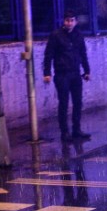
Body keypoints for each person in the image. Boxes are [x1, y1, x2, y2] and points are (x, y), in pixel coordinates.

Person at [43, 10, 91, 140]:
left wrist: (86, 71)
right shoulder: (56, 35)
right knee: (63, 103)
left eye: (71, 20)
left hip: (75, 73)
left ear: (75, 22)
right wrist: (47, 72)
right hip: (62, 74)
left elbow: (83, 54)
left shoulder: (78, 35)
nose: (69, 23)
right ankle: (64, 132)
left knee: (78, 102)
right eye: (67, 20)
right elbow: (49, 54)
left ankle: (76, 130)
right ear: (64, 21)